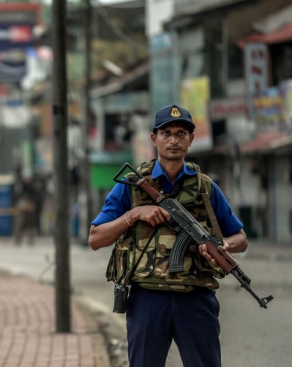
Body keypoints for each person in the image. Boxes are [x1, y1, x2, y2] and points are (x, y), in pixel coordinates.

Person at [88, 104, 248, 367]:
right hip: (147, 299)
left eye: (181, 133)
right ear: (155, 139)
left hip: (196, 298)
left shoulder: (205, 187)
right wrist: (135, 214)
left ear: (191, 139)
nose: (174, 140)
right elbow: (96, 238)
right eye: (167, 133)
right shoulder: (132, 184)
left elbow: (240, 238)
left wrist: (222, 246)